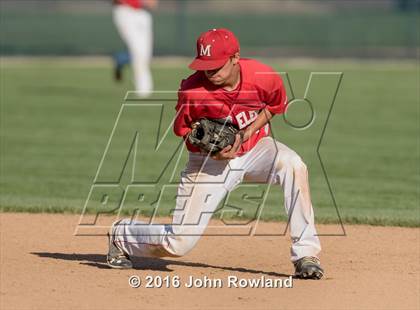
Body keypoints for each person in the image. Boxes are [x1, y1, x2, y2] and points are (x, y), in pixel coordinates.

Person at [106, 28, 324, 279]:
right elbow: (184, 131)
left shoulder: (262, 76)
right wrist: (207, 147)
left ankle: (306, 254)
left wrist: (245, 133)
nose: (210, 72)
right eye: (205, 65)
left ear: (235, 58)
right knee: (179, 244)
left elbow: (274, 106)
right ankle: (122, 235)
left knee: (293, 164)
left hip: (256, 149)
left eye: (217, 66)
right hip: (209, 163)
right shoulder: (193, 91)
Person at [112, 0, 157, 97]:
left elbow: (152, 3)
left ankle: (120, 59)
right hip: (124, 10)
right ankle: (143, 89)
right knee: (138, 50)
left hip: (142, 13)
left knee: (146, 53)